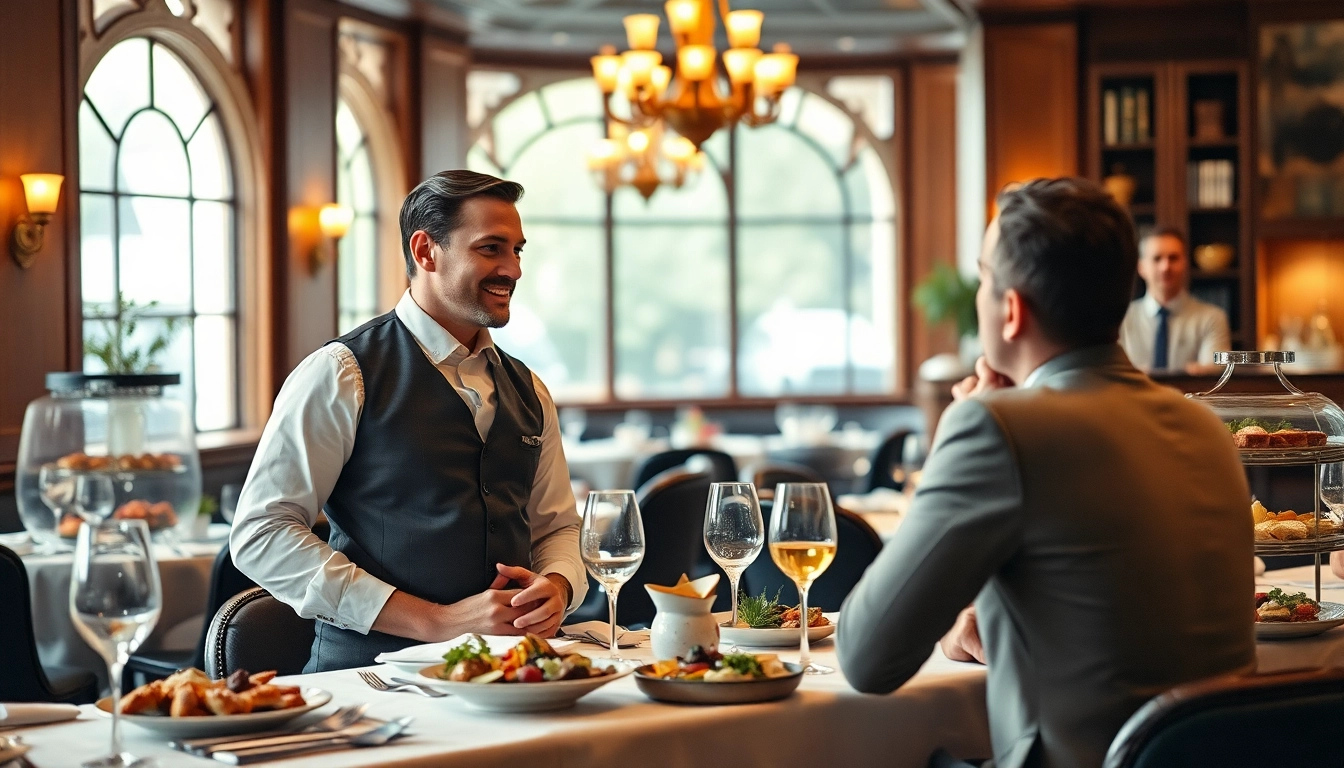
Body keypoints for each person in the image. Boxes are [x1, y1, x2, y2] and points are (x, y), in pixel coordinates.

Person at [837, 178, 1254, 768]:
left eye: (983, 276)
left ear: (1010, 311)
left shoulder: (992, 430)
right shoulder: (1208, 430)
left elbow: (865, 657)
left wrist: (960, 433)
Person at [231, 170, 587, 672]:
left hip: (512, 678)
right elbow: (261, 533)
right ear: (425, 251)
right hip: (370, 683)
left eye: (517, 250)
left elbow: (558, 527)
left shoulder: (530, 389)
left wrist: (558, 585)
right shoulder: (341, 373)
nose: (513, 269)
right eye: (491, 249)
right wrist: (435, 622)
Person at [1119, 228, 1231, 373]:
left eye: (1173, 258)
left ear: (1185, 263)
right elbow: (1112, 373)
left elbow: (1212, 376)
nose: (1165, 267)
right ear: (1141, 267)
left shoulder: (1213, 318)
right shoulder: (1122, 319)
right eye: (1157, 258)